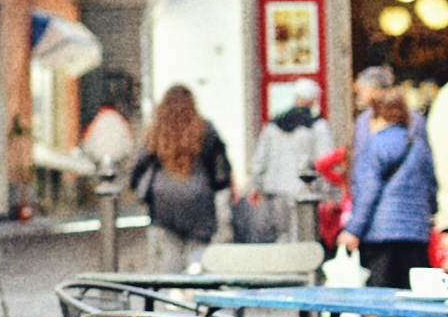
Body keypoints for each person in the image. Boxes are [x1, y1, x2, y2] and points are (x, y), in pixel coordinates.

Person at [337, 88, 439, 317]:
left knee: (369, 291)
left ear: (377, 116)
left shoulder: (373, 146)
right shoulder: (418, 146)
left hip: (379, 232)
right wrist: (429, 216)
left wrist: (353, 229)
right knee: (404, 292)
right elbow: (431, 187)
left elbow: (367, 192)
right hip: (413, 232)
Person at [129, 85, 232, 273]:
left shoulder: (156, 130)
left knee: (170, 250)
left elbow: (139, 166)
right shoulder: (205, 129)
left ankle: (171, 288)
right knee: (197, 250)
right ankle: (194, 285)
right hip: (198, 196)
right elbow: (221, 171)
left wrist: (137, 186)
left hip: (163, 198)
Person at [247, 78, 332, 242]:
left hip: (276, 188)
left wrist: (255, 184)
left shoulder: (274, 124)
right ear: (314, 99)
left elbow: (260, 157)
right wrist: (329, 192)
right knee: (305, 235)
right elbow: (325, 161)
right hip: (306, 190)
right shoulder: (318, 126)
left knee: (282, 234)